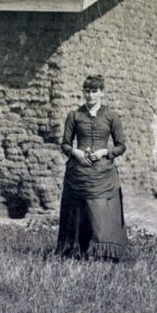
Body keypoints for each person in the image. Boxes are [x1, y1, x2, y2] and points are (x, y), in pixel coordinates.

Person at [55, 74, 129, 260]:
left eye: (94, 91)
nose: (90, 95)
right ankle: (75, 251)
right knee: (78, 213)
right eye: (87, 91)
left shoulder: (111, 117)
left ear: (102, 93)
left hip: (102, 173)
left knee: (100, 214)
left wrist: (105, 152)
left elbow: (121, 146)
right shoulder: (74, 116)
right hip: (78, 172)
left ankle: (102, 255)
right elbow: (64, 144)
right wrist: (76, 153)